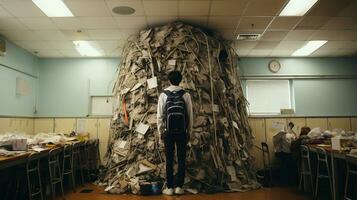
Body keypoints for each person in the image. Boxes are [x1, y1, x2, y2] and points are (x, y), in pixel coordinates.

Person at [157, 70, 193, 195]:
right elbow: (190, 115)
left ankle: (170, 187)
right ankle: (179, 187)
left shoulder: (163, 95)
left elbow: (159, 116)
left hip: (168, 132)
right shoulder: (186, 94)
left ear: (169, 80)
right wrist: (189, 131)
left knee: (170, 159)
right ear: (180, 80)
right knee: (182, 159)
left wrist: (160, 131)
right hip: (182, 132)